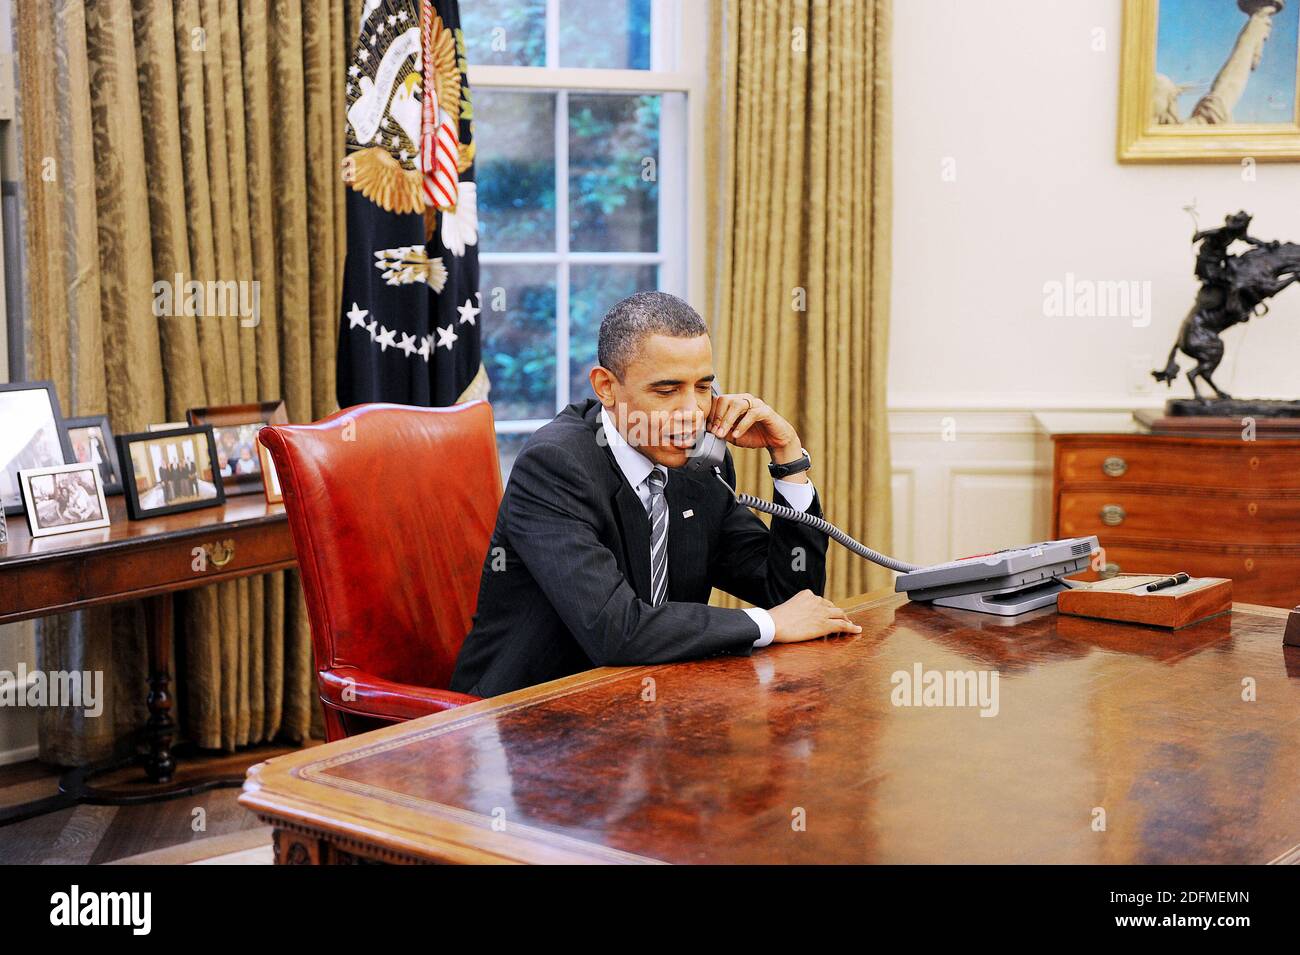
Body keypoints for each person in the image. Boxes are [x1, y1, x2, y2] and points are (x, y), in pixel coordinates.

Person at [451, 291, 860, 698]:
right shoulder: (556, 465)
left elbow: (790, 597)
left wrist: (787, 458)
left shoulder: (701, 466)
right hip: (529, 717)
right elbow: (617, 631)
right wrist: (767, 624)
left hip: (653, 704)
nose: (693, 412)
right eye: (667, 391)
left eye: (703, 388)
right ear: (606, 387)